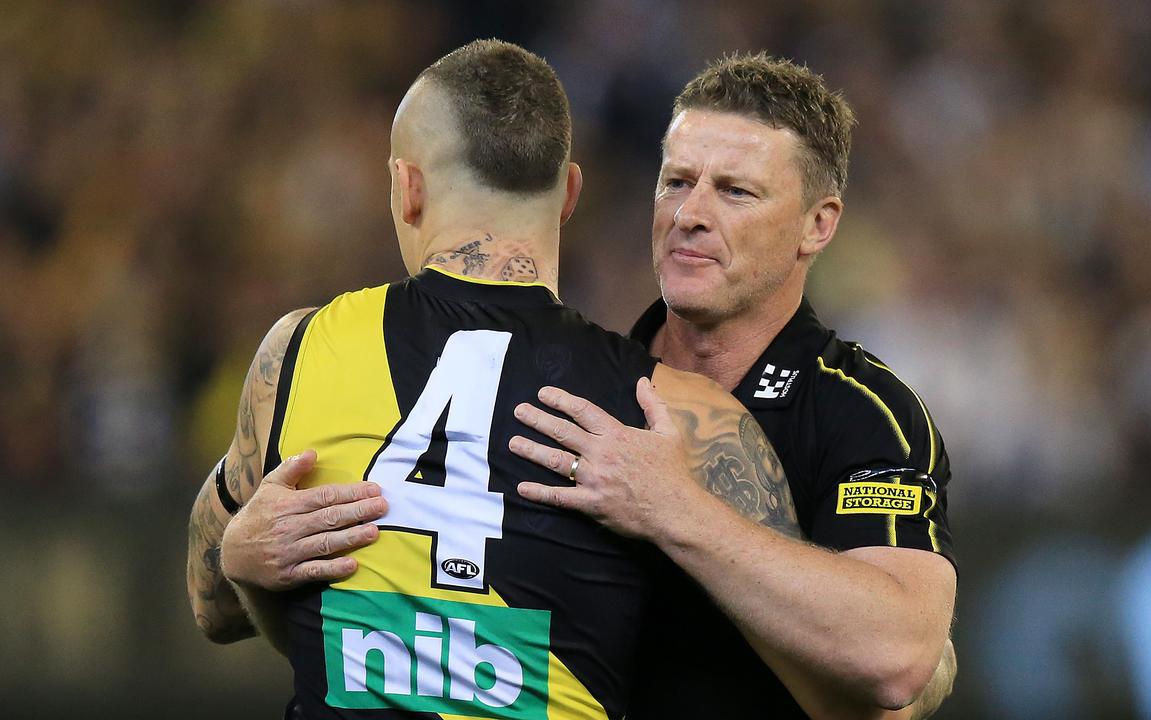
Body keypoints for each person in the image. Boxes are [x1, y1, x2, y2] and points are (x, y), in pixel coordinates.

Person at [185, 40, 801, 719]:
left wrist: (241, 557)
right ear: (569, 194)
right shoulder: (676, 411)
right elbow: (815, 660)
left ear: (407, 188)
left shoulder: (297, 351)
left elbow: (210, 602)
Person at [509, 53, 958, 719]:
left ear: (818, 224)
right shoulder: (572, 386)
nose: (689, 213)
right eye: (676, 182)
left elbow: (897, 658)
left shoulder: (860, 412)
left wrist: (675, 510)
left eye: (736, 191)